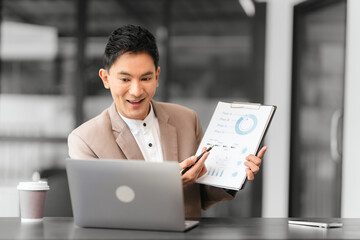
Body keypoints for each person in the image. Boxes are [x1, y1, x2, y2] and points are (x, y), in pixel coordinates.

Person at [68, 24, 266, 219]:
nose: (136, 91)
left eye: (145, 78)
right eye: (125, 80)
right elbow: (100, 209)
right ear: (105, 78)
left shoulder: (187, 120)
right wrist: (170, 182)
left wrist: (234, 172)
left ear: (157, 76)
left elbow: (204, 196)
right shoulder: (85, 140)